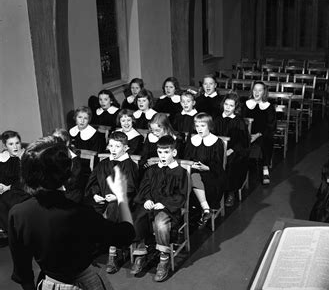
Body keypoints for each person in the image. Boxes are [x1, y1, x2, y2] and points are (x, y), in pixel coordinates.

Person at [8, 136, 145, 290]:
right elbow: (126, 234)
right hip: (86, 288)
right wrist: (122, 197)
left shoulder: (18, 213)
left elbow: (22, 271)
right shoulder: (79, 213)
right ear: (63, 175)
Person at [131, 135, 188, 281]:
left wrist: (164, 203)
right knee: (137, 219)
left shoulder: (180, 172)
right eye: (160, 152)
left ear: (173, 153)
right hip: (151, 206)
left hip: (168, 208)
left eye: (166, 152)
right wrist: (147, 200)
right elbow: (145, 189)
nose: (162, 156)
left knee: (161, 224)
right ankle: (141, 253)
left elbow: (180, 195)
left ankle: (163, 259)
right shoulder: (152, 170)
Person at [85, 132, 139, 274]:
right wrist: (96, 194)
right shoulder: (103, 163)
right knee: (87, 210)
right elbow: (94, 181)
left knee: (114, 208)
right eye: (111, 146)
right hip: (103, 199)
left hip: (123, 202)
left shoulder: (130, 166)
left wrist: (116, 196)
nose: (113, 149)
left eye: (117, 146)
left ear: (126, 148)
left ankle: (112, 253)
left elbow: (132, 188)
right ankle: (89, 247)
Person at [183, 112, 226, 227]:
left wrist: (206, 167)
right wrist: (192, 165)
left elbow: (218, 164)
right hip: (193, 171)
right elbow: (186, 157)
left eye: (203, 126)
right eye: (197, 126)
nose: (199, 129)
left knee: (194, 178)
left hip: (211, 173)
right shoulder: (192, 140)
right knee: (190, 178)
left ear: (209, 126)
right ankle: (204, 210)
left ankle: (203, 209)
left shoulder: (216, 142)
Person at [214, 92, 250, 207]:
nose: (228, 108)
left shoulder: (239, 121)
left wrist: (231, 150)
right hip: (219, 150)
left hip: (234, 151)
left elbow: (243, 141)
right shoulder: (217, 120)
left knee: (232, 163)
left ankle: (230, 192)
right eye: (226, 104)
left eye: (231, 105)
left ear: (236, 107)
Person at [243, 81, 276, 185]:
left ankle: (265, 168)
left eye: (260, 90)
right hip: (248, 134)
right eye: (255, 90)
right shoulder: (246, 104)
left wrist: (257, 135)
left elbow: (271, 125)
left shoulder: (269, 106)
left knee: (266, 141)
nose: (257, 92)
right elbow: (241, 121)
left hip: (262, 134)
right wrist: (248, 135)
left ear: (264, 92)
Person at [0, 131, 29, 237]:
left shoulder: (26, 158)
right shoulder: (3, 159)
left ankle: (16, 233)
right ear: (5, 145)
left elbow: (26, 179)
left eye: (17, 143)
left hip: (22, 190)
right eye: (11, 144)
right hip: (6, 191)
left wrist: (9, 187)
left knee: (6, 200)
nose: (15, 147)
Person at [52, 128, 88, 203]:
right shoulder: (51, 157)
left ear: (67, 143)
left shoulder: (75, 161)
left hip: (70, 194)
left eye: (59, 141)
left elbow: (73, 184)